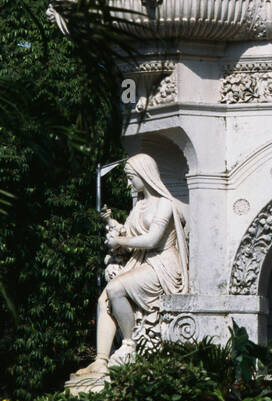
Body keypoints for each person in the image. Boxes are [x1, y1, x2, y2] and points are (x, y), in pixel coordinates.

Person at [67, 153, 189, 385]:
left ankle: (129, 344)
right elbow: (132, 233)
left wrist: (120, 243)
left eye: (131, 177)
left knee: (116, 289)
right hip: (142, 262)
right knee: (103, 299)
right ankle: (101, 359)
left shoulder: (165, 204)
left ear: (145, 174)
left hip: (162, 265)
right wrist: (113, 226)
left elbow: (152, 240)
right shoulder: (140, 205)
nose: (128, 183)